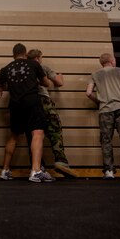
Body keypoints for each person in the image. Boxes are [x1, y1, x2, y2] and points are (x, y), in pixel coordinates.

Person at [0, 43, 54, 183]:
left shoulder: (7, 68)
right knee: (37, 133)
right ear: (25, 53)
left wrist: (2, 87)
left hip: (15, 104)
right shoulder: (33, 64)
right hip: (31, 102)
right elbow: (46, 83)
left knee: (13, 136)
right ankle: (36, 170)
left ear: (13, 55)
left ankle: (5, 170)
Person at [26, 49, 77, 178]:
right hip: (44, 101)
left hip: (29, 102)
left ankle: (37, 166)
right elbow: (59, 83)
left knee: (34, 135)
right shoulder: (43, 67)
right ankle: (61, 161)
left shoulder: (24, 69)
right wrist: (60, 75)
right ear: (38, 58)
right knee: (55, 130)